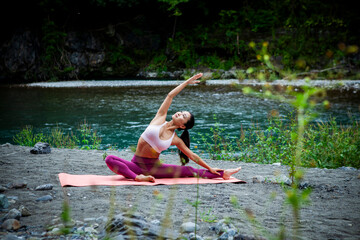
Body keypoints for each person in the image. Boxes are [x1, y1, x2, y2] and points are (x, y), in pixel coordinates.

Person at [105, 73, 241, 182]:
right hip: (135, 165)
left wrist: (210, 168)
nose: (179, 113)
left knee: (188, 171)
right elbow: (170, 96)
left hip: (154, 168)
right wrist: (186, 82)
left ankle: (223, 173)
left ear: (182, 125)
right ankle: (137, 177)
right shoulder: (160, 117)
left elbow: (192, 155)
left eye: (183, 116)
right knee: (109, 158)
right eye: (182, 112)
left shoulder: (175, 139)